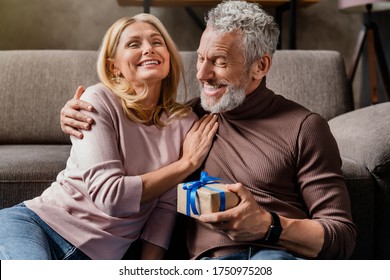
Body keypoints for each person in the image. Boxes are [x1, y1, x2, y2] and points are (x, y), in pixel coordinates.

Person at [60, 0, 357, 260]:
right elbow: (126, 115)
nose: (202, 74)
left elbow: (342, 236)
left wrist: (269, 225)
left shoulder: (305, 127)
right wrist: (74, 113)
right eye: (201, 58)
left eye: (219, 62)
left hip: (275, 257)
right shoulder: (184, 120)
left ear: (260, 65)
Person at [0, 13, 219, 260]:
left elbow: (165, 208)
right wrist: (186, 163)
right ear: (114, 65)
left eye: (157, 42)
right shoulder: (97, 101)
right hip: (36, 226)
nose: (148, 49)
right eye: (134, 44)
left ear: (168, 57)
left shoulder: (185, 123)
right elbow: (110, 196)